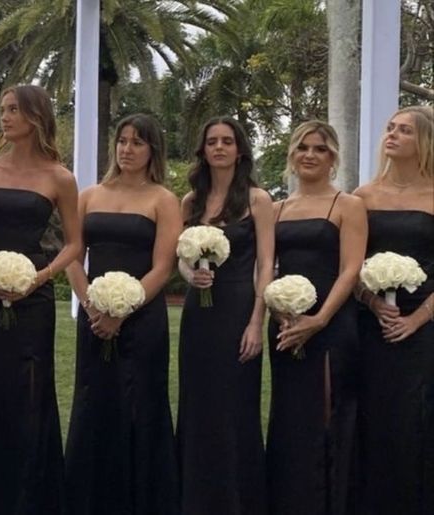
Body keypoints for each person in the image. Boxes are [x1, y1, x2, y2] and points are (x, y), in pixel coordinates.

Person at [0, 84, 80, 515]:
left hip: (34, 298)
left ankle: (31, 498)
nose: (5, 117)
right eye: (2, 109)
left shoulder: (59, 177)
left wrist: (39, 278)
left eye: (13, 109)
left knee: (29, 394)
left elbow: (73, 244)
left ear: (35, 116)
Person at [63, 114, 182, 515]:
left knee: (139, 405)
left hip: (143, 319)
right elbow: (72, 257)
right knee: (94, 403)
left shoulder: (163, 200)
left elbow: (163, 267)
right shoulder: (90, 195)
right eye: (123, 141)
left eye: (138, 143)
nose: (127, 149)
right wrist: (93, 305)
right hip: (95, 319)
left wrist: (124, 309)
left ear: (152, 151)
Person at [266, 121, 367, 515]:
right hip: (286, 327)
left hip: (333, 325)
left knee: (327, 416)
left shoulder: (348, 205)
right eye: (303, 147)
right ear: (292, 155)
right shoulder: (275, 210)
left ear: (333, 159)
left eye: (320, 149)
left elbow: (351, 268)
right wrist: (280, 312)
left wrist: (320, 319)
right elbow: (266, 268)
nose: (310, 154)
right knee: (291, 418)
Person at [175, 116, 274, 515]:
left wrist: (257, 321)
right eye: (212, 141)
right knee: (198, 406)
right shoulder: (189, 202)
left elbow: (267, 263)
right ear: (203, 150)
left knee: (235, 406)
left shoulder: (257, 200)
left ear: (239, 150)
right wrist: (190, 275)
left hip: (237, 309)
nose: (219, 147)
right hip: (198, 313)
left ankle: (238, 500)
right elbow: (179, 259)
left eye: (227, 141)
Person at [353, 105, 434, 515]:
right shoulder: (363, 196)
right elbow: (350, 265)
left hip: (424, 326)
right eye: (390, 128)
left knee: (414, 421)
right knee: (372, 417)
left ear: (422, 141)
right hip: (370, 325)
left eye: (404, 130)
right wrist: (370, 301)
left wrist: (416, 320)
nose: (392, 135)